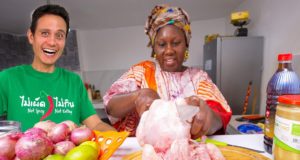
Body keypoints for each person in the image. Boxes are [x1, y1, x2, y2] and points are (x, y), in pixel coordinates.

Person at [103, 5, 232, 138]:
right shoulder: (142, 71)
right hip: (146, 152)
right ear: (154, 48)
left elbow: (219, 118)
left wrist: (208, 117)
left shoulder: (198, 77)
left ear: (186, 44)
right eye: (162, 44)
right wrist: (137, 96)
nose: (169, 50)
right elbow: (111, 107)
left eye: (176, 43)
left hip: (188, 151)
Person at [0, 4, 115, 132]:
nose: (52, 42)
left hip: (69, 152)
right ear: (31, 36)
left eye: (59, 35)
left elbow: (96, 125)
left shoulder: (74, 81)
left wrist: (118, 139)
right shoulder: (8, 79)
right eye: (45, 33)